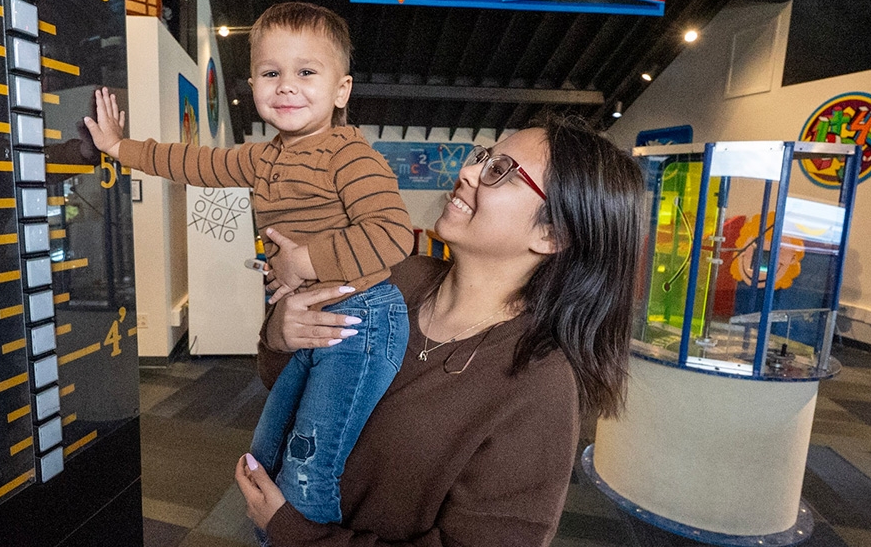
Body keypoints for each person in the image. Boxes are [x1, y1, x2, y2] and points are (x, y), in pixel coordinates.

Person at [235, 118, 644, 546]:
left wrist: (297, 535)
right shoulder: (398, 277)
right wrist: (280, 337)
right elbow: (291, 383)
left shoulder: (540, 385)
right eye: (484, 156)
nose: (467, 172)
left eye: (501, 171)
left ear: (551, 234)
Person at [83, 3, 415, 529]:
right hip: (310, 317)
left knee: (311, 459)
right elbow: (193, 162)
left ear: (341, 90)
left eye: (306, 72)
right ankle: (276, 534)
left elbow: (394, 235)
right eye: (270, 72)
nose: (286, 86)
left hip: (362, 318)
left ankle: (303, 539)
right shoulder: (262, 157)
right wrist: (120, 147)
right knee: (267, 451)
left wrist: (299, 261)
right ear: (254, 82)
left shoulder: (349, 155)